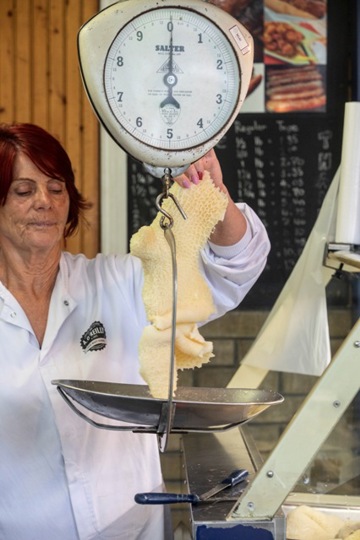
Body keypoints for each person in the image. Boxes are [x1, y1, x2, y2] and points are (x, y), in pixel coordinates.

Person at [0, 122, 270, 540]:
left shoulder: (118, 283)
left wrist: (213, 192)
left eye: (57, 188)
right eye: (23, 190)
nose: (44, 202)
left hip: (134, 530)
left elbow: (234, 270)